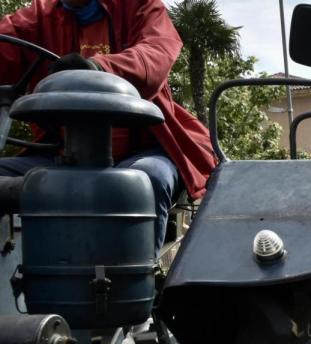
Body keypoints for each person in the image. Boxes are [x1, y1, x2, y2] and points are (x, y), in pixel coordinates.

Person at [0, 0, 216, 256]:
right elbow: (6, 45)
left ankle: (133, 286)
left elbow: (155, 54)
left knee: (145, 181)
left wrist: (98, 69)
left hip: (143, 148)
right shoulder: (39, 15)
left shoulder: (141, 7)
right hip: (65, 150)